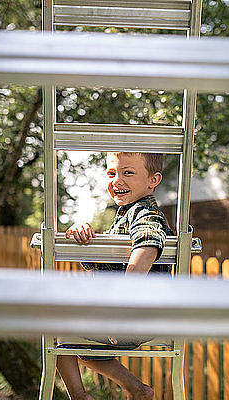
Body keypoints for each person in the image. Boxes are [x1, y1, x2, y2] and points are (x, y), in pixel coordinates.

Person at [57, 152, 173, 400]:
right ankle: (137, 390)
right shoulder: (126, 215)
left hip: (131, 316)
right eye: (112, 173)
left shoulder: (145, 213)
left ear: (153, 180)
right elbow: (104, 264)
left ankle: (78, 396)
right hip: (139, 319)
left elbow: (147, 243)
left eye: (128, 173)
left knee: (55, 328)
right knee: (78, 344)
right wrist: (83, 234)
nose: (117, 180)